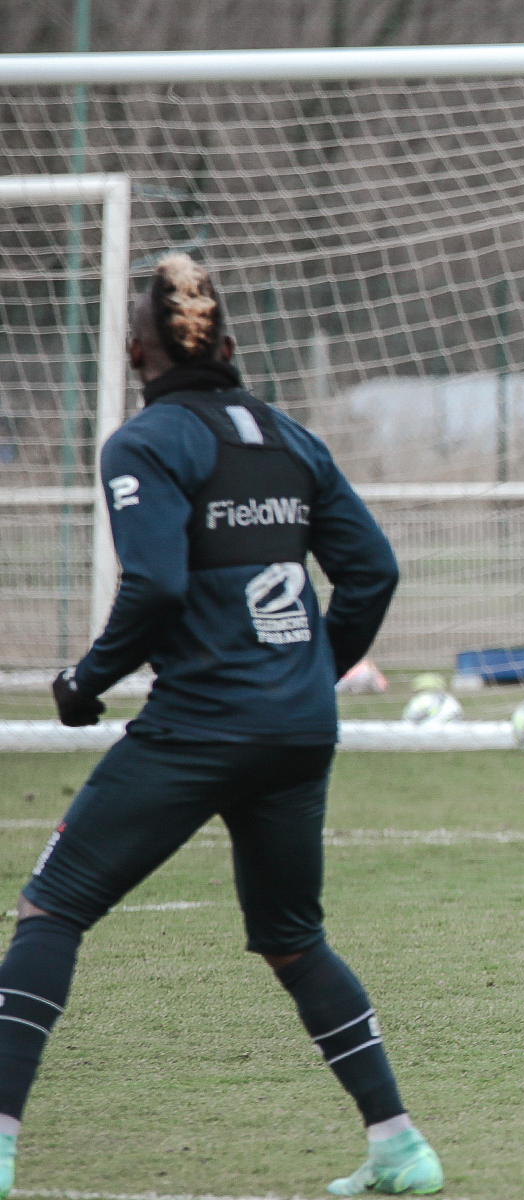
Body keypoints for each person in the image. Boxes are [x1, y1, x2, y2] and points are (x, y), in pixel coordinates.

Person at [0, 253, 443, 1194]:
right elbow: (374, 573)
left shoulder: (146, 442)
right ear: (231, 349)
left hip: (200, 726)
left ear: (133, 352)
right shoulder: (291, 440)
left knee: (52, 909)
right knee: (292, 937)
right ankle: (399, 1146)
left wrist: (85, 681)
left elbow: (155, 584)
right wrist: (311, 674)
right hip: (296, 730)